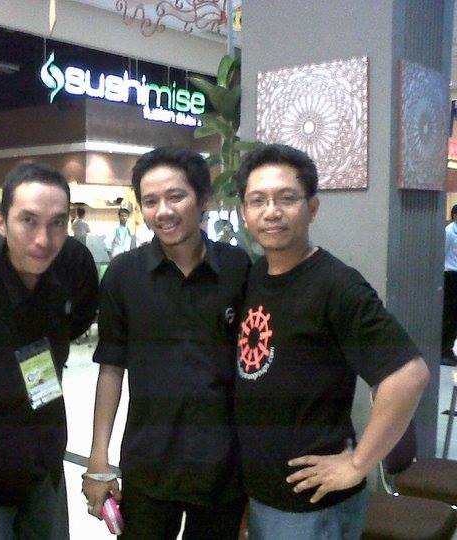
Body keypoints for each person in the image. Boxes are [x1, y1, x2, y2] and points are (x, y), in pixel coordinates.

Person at [234, 143, 430, 540]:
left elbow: (408, 375)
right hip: (262, 494)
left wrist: (357, 465)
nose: (271, 211)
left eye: (287, 198)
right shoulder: (254, 277)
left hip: (312, 506)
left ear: (312, 207)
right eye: (258, 200)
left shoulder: (337, 285)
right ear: (244, 212)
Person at [83, 146, 251, 539]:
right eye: (151, 201)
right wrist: (98, 460)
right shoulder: (124, 274)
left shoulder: (237, 268)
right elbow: (111, 368)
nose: (163, 211)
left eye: (176, 196)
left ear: (203, 199)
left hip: (222, 465)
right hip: (149, 462)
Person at [0, 162, 98, 539]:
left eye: (57, 222)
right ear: (1, 222)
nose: (44, 239)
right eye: (28, 220)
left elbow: (80, 318)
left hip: (45, 461)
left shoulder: (73, 264)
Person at [443, 204, 457, 364]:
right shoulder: (449, 232)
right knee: (449, 315)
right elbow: (443, 254)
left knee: (455, 316)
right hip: (450, 276)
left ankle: (449, 348)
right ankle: (444, 351)